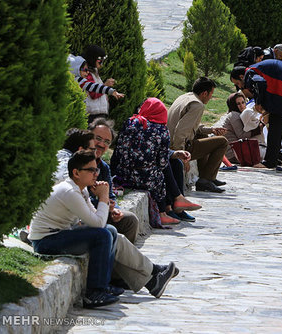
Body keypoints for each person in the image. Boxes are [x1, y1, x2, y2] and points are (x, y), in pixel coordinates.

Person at [29, 151, 179, 308]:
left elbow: (95, 216)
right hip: (45, 241)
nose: (96, 174)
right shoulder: (70, 191)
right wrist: (103, 197)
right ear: (76, 172)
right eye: (91, 170)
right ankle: (94, 293)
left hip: (61, 234)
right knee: (102, 236)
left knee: (111, 232)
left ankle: (151, 280)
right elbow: (97, 224)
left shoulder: (81, 189)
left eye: (96, 170)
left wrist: (105, 203)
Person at [111, 98, 200, 226]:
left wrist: (174, 154)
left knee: (174, 162)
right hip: (145, 180)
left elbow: (120, 151)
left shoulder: (129, 122)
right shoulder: (162, 131)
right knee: (163, 169)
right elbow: (162, 162)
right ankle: (166, 210)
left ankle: (175, 205)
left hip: (123, 174)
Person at [230, 60, 282, 173]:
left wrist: (258, 102)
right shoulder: (258, 68)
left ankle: (270, 161)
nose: (240, 87)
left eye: (238, 83)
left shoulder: (250, 73)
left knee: (276, 122)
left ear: (241, 76)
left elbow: (260, 83)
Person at [167, 77, 229, 193]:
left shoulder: (186, 97)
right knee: (222, 142)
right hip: (176, 147)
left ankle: (207, 178)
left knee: (203, 137)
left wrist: (212, 130)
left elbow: (192, 126)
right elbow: (181, 131)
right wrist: (180, 156)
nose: (211, 97)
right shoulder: (197, 105)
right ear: (205, 93)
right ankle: (206, 179)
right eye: (211, 94)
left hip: (170, 142)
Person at [88, 118, 140, 243]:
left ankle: (122, 261)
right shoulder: (77, 162)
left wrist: (115, 209)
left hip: (102, 211)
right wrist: (101, 201)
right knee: (109, 230)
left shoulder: (104, 168)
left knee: (130, 220)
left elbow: (110, 195)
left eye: (107, 142)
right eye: (98, 139)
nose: (101, 144)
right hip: (84, 214)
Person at [216, 93, 266, 162]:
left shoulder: (241, 114)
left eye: (243, 103)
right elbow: (241, 136)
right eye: (238, 104)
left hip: (238, 150)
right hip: (233, 153)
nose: (242, 106)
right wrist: (259, 128)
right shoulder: (234, 115)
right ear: (233, 105)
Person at [82, 45, 119, 123]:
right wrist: (105, 86)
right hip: (93, 114)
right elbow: (93, 93)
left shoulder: (94, 72)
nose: (102, 64)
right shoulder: (87, 74)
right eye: (100, 61)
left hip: (98, 113)